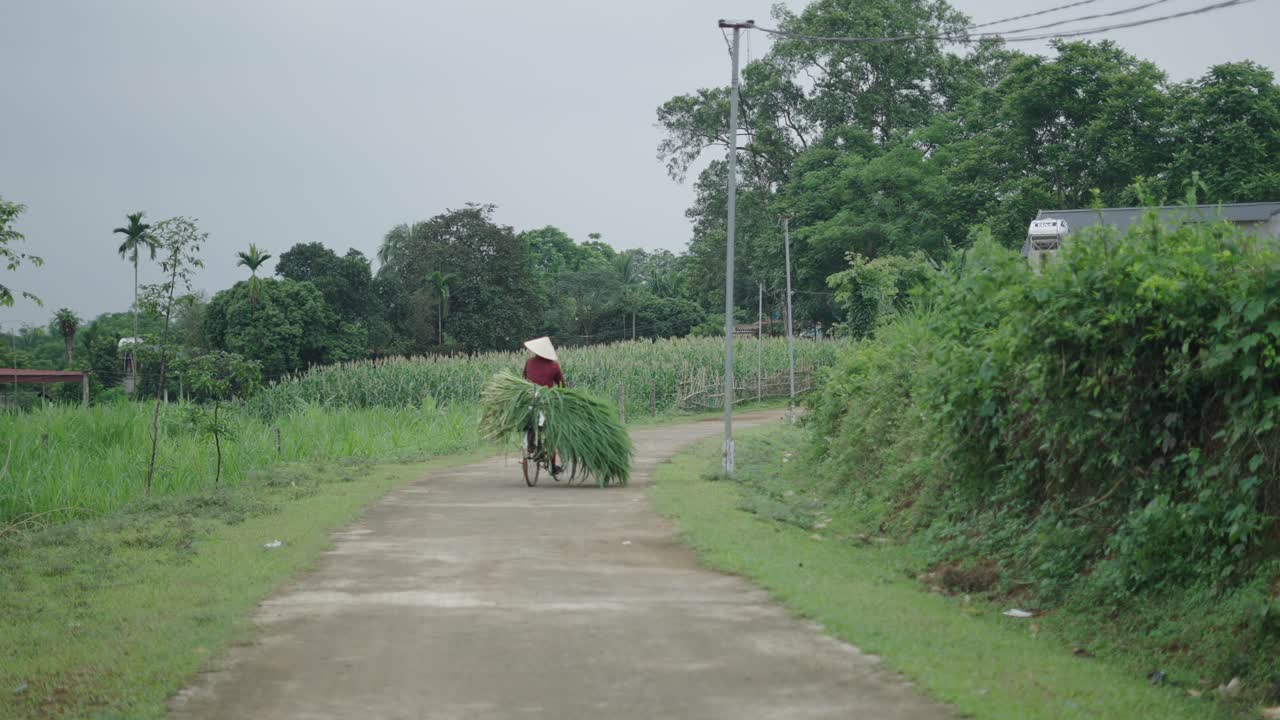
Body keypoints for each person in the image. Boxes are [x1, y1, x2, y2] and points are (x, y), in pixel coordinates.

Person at [522, 336, 565, 477]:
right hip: (547, 402)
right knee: (552, 433)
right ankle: (553, 466)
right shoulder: (554, 366)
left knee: (530, 424)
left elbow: (523, 379)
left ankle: (529, 445)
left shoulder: (529, 362)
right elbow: (561, 385)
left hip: (529, 399)